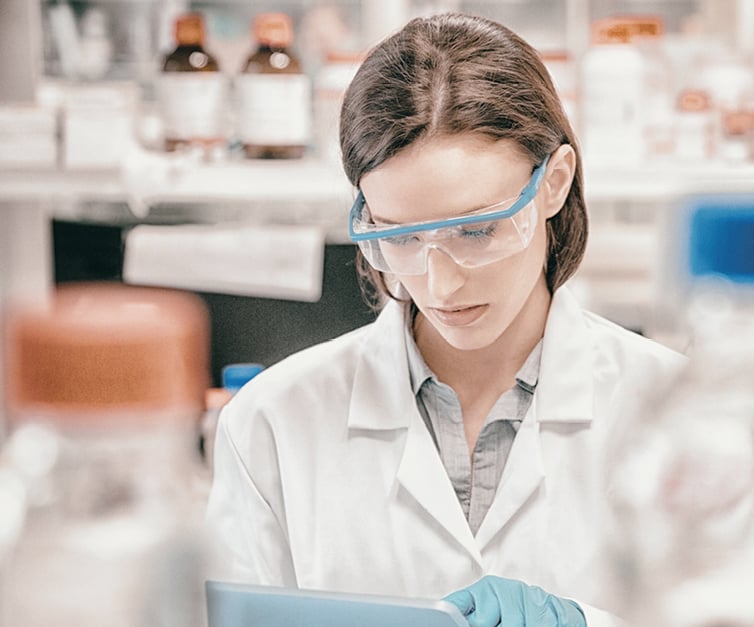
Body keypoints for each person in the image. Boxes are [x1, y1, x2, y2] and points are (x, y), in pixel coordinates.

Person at [204, 13, 683, 627]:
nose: (440, 281)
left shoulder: (675, 411)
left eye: (478, 229)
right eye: (401, 237)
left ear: (554, 184)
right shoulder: (272, 422)